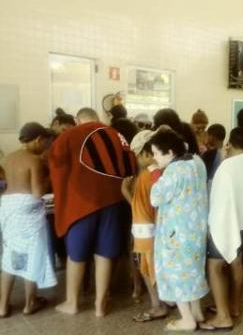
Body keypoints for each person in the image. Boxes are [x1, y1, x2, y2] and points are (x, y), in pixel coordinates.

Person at [50, 108, 136, 317]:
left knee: (76, 254)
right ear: (97, 118)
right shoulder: (118, 135)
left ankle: (72, 303)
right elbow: (130, 165)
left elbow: (57, 168)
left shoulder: (68, 136)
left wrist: (63, 199)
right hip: (113, 202)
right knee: (105, 253)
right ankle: (100, 304)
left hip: (81, 204)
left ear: (78, 120)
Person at [149, 129, 209, 331]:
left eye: (157, 153)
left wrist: (155, 174)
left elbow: (156, 197)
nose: (154, 158)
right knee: (193, 271)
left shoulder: (174, 171)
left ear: (170, 152)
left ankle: (187, 319)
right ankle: (197, 312)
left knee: (178, 273)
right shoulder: (196, 162)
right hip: (197, 229)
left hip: (177, 233)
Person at [200, 127, 243, 331]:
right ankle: (233, 307)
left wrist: (211, 225)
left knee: (214, 266)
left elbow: (219, 200)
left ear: (229, 143)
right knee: (236, 262)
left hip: (224, 223)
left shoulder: (226, 166)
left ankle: (223, 317)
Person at [0, 123, 57, 318]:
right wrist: (49, 178)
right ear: (38, 140)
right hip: (27, 210)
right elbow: (38, 192)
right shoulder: (34, 160)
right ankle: (30, 303)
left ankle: (2, 305)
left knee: (10, 255)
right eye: (45, 143)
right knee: (33, 254)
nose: (46, 148)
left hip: (8, 207)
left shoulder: (8, 158)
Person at [121, 130, 169, 322]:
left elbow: (138, 205)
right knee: (157, 267)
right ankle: (167, 300)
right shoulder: (160, 173)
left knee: (147, 269)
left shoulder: (144, 177)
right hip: (157, 228)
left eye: (137, 155)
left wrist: (124, 190)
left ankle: (157, 305)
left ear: (147, 154)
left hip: (145, 230)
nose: (136, 159)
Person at [201, 123, 226, 190]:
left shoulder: (209, 154)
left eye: (208, 135)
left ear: (212, 137)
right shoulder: (228, 152)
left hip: (211, 187)